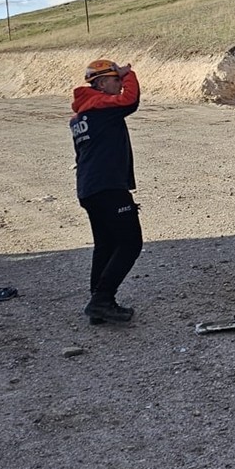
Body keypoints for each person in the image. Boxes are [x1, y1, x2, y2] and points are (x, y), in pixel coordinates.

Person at [69, 58, 143, 325]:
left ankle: (97, 304)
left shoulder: (81, 116)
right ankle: (102, 299)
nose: (120, 84)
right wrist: (130, 73)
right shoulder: (102, 105)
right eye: (115, 80)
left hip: (89, 189)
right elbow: (130, 100)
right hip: (108, 186)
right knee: (130, 242)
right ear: (100, 83)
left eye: (120, 79)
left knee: (106, 245)